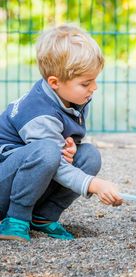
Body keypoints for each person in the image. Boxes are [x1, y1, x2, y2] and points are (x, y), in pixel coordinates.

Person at [0, 24, 122, 242]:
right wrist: (94, 184)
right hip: (4, 186)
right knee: (47, 151)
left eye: (94, 80)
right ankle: (15, 219)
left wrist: (69, 146)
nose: (94, 87)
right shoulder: (39, 113)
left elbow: (58, 146)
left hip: (29, 174)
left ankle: (43, 218)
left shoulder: (74, 97)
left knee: (89, 155)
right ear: (55, 82)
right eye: (86, 83)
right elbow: (47, 155)